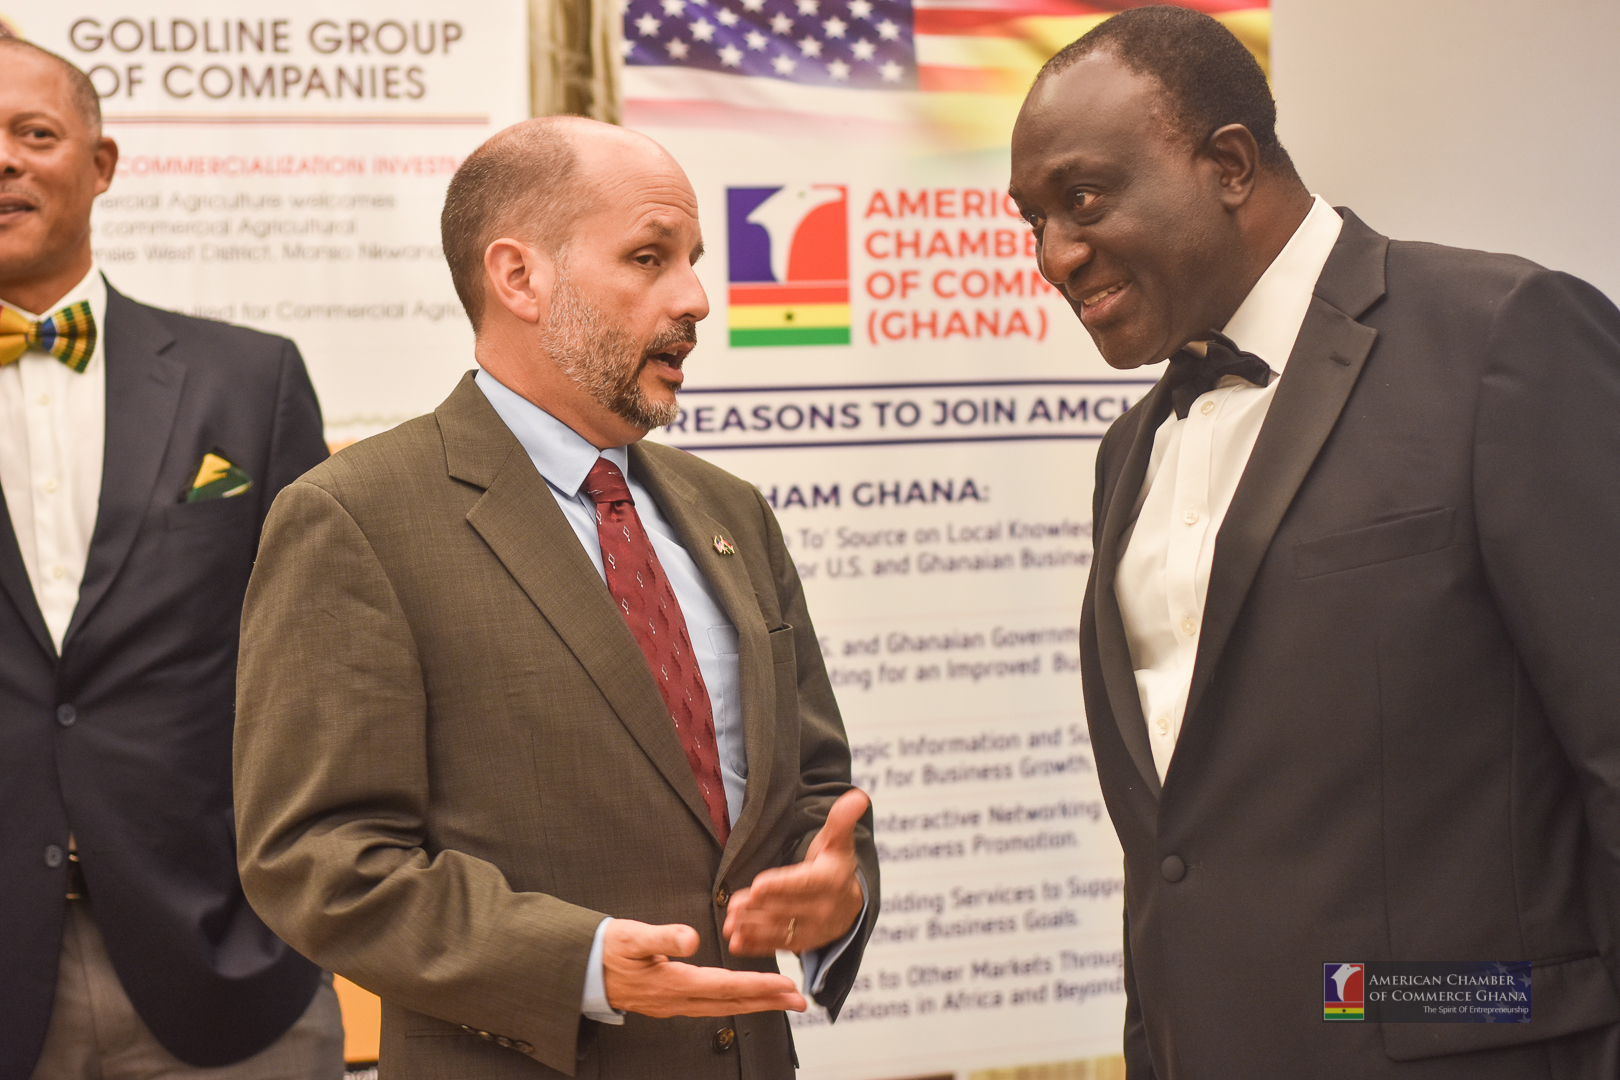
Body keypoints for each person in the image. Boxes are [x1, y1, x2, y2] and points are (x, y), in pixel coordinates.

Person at [1009, 7, 1620, 1078]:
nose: (1055, 255)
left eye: (1084, 199)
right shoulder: (1130, 451)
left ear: (1230, 165)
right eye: (1034, 220)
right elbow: (1177, 845)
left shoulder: (1502, 339)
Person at [232, 115, 878, 1079]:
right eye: (649, 258)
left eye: (693, 262)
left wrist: (837, 894)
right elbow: (318, 859)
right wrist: (578, 965)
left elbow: (815, 794)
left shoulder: (730, 510)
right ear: (519, 277)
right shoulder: (354, 516)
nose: (697, 298)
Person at [0, 39, 337, 1080]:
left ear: (100, 164)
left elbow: (324, 665)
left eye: (33, 133)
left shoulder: (250, 380)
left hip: (232, 966)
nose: (3, 160)